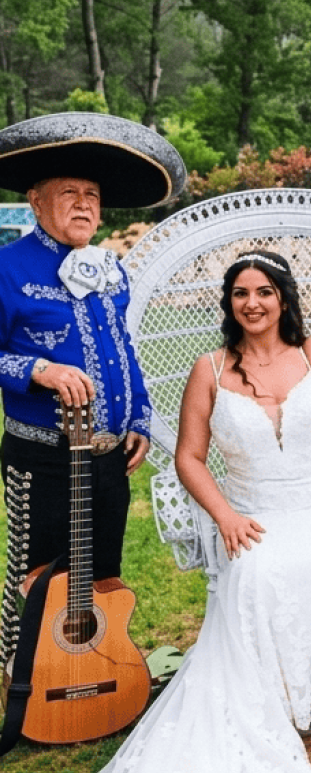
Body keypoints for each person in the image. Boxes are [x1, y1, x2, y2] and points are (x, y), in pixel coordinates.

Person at [26, 185, 311, 773]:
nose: (252, 303)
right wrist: (224, 515)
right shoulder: (211, 371)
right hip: (255, 506)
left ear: (284, 300)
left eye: (264, 292)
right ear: (229, 304)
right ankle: (281, 705)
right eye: (241, 293)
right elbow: (190, 457)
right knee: (259, 574)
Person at [0, 113, 186, 675]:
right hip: (43, 457)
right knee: (39, 580)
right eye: (69, 194)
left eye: (93, 196)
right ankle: (27, 681)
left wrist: (140, 417)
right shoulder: (7, 267)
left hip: (109, 458)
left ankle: (96, 675)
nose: (84, 205)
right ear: (36, 202)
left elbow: (122, 349)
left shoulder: (110, 269)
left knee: (103, 576)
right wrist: (37, 369)